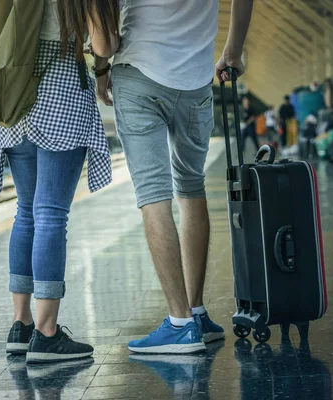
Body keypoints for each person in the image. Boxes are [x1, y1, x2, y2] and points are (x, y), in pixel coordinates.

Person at [95, 0, 253, 354]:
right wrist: (233, 51)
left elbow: (104, 33)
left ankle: (179, 323)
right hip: (195, 82)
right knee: (191, 188)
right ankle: (196, 313)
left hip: (139, 75)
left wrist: (101, 70)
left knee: (153, 194)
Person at [0, 0, 119, 363]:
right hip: (60, 89)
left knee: (27, 213)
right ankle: (47, 334)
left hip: (14, 95)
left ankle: (22, 325)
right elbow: (102, 45)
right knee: (49, 215)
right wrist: (109, 55)